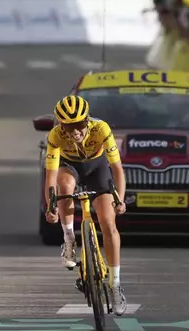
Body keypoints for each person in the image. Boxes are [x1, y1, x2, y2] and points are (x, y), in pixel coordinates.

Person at [44, 95, 128, 316]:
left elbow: (117, 169)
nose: (75, 132)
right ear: (62, 125)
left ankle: (115, 284)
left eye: (79, 125)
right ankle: (69, 238)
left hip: (97, 169)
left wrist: (120, 199)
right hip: (70, 167)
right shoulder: (55, 135)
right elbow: (50, 177)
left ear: (87, 121)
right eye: (69, 127)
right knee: (64, 186)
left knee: (108, 224)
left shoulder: (101, 129)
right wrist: (50, 207)